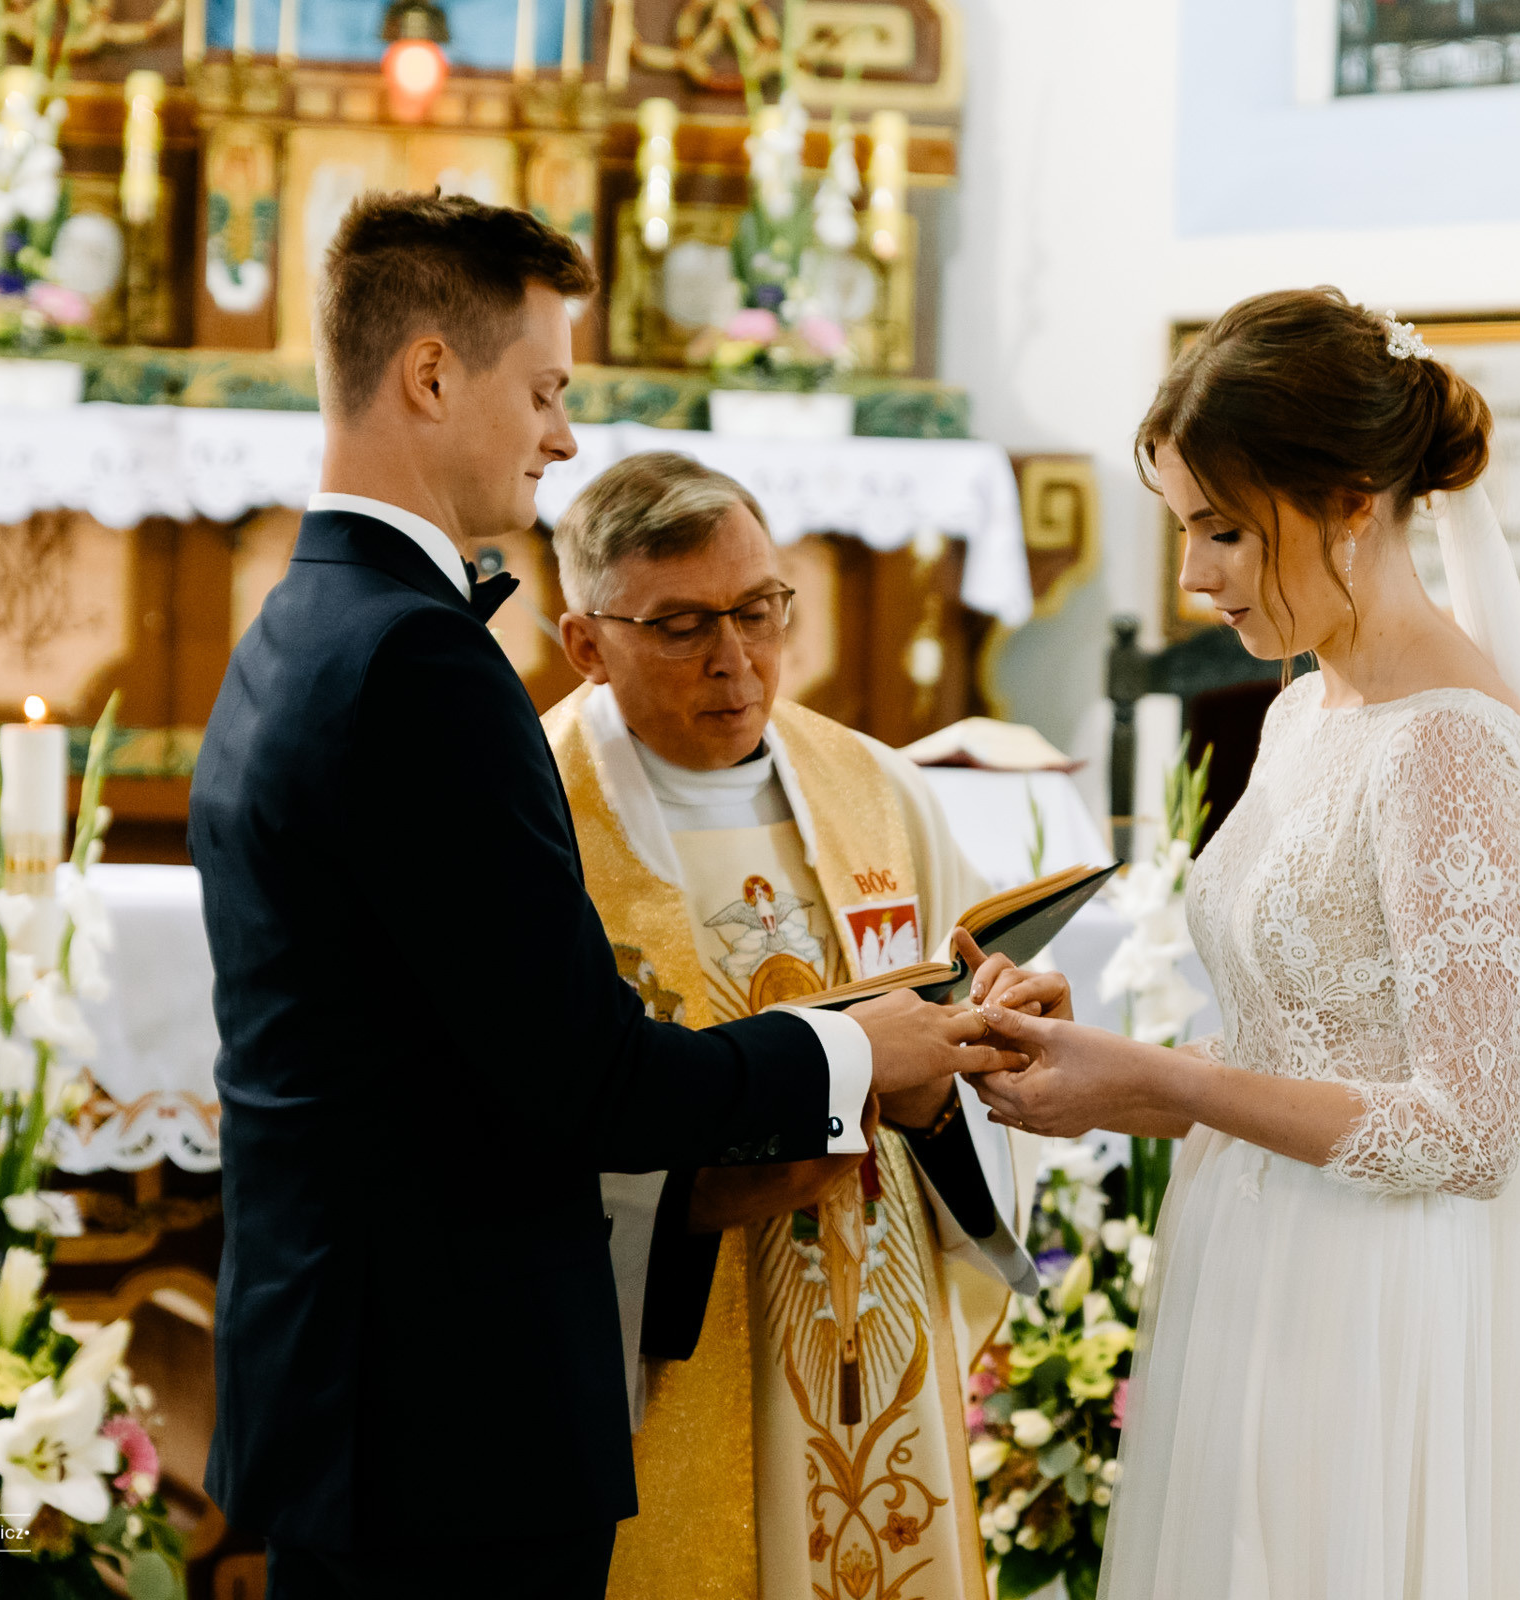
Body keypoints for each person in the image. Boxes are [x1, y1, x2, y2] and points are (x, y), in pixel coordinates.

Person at [188, 193, 1015, 1600]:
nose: (562, 436)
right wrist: (859, 1046)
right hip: (447, 1417)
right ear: (434, 374)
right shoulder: (418, 664)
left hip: (349, 1380)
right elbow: (584, 1078)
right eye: (546, 388)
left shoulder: (300, 618)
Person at [966, 289, 1520, 1598]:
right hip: (1257, 1245)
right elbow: (1301, 1025)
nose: (1192, 575)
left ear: (1355, 499)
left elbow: (1467, 1132)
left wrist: (1158, 1086)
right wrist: (1103, 1060)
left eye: (1224, 530)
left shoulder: (1450, 742)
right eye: (1187, 529)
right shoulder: (1306, 711)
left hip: (1373, 1295)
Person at [539, 451, 1040, 1600]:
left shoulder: (874, 784)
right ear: (585, 641)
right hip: (675, 1336)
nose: (737, 657)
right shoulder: (540, 813)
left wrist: (977, 1053)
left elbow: (957, 1005)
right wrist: (690, 1195)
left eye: (760, 608)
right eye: (680, 624)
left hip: (876, 1306)